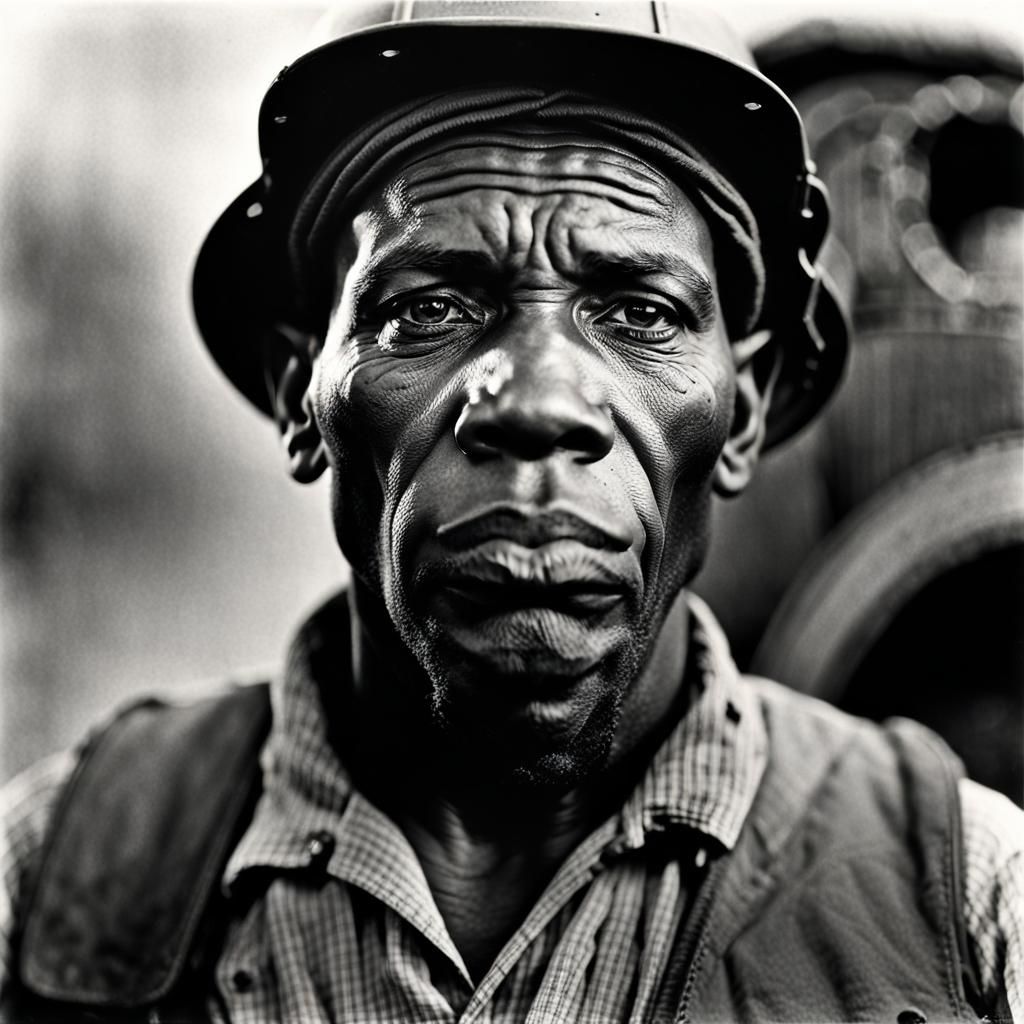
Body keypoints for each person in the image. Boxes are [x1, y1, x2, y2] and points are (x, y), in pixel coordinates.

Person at [1, 3, 1021, 1022]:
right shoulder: (49, 877)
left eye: (640, 312)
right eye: (427, 307)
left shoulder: (975, 907)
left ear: (743, 411)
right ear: (296, 390)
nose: (536, 401)